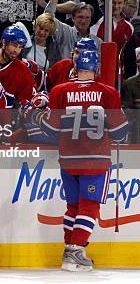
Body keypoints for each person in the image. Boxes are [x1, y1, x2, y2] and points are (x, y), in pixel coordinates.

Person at [25, 49, 128, 271]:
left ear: (76, 66)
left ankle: (69, 251)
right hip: (96, 160)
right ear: (97, 69)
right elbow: (120, 132)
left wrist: (34, 115)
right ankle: (76, 251)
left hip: (68, 159)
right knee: (89, 207)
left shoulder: (60, 90)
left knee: (73, 206)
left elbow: (51, 128)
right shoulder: (108, 93)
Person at [0, 25, 35, 109]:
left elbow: (28, 98)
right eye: (14, 45)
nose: (17, 51)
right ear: (4, 42)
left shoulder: (23, 70)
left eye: (20, 47)